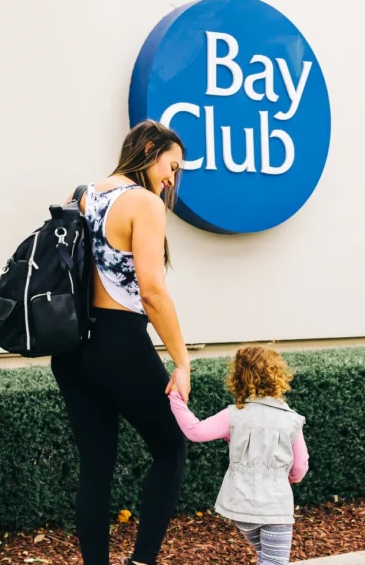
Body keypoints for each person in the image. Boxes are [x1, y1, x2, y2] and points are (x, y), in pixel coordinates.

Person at [52, 120, 193, 565]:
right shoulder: (143, 203)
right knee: (171, 448)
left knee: (96, 468)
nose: (172, 178)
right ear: (150, 150)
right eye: (172, 166)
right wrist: (182, 361)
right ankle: (141, 561)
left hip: (72, 348)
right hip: (119, 341)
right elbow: (151, 291)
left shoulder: (83, 195)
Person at [169, 346, 309, 565]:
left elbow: (195, 432)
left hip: (240, 505)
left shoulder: (234, 414)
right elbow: (300, 465)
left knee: (266, 557)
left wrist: (176, 397)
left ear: (238, 377)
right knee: (274, 562)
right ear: (279, 376)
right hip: (275, 506)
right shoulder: (291, 420)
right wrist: (290, 479)